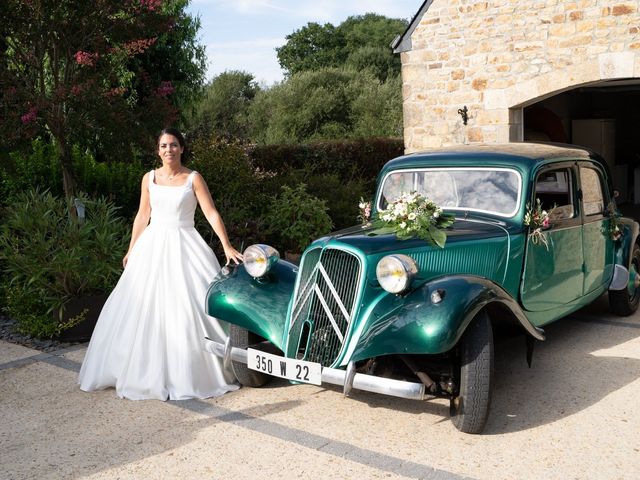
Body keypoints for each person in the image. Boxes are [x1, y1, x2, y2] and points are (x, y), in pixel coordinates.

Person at [79, 127, 243, 400]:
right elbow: (143, 215)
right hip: (152, 246)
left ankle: (200, 370)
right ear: (158, 150)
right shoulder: (149, 178)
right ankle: (134, 370)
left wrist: (226, 245)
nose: (169, 150)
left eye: (174, 145)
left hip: (185, 244)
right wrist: (132, 249)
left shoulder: (193, 178)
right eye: (164, 146)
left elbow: (211, 212)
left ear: (182, 148)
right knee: (138, 307)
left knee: (188, 306)